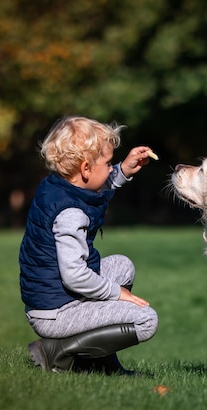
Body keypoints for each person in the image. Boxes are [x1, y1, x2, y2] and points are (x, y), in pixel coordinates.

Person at [19, 115, 158, 375]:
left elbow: (90, 188)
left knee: (122, 267)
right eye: (107, 163)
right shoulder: (70, 214)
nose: (110, 168)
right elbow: (74, 276)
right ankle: (57, 351)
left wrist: (123, 170)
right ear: (85, 168)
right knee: (146, 320)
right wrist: (117, 294)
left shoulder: (58, 185)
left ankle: (98, 361)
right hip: (57, 311)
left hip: (55, 297)